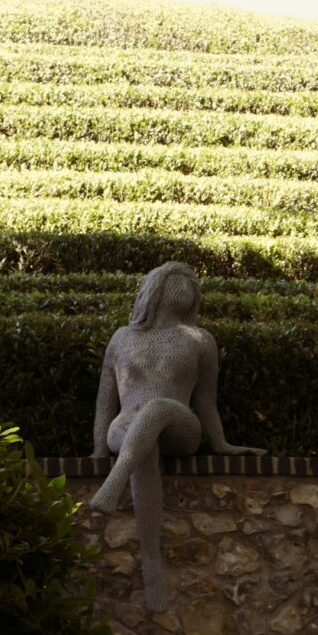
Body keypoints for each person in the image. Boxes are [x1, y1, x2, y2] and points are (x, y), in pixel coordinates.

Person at [90, 261, 266, 610]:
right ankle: (151, 564)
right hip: (126, 427)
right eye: (177, 279)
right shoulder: (122, 337)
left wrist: (221, 444)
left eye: (192, 282)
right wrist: (97, 448)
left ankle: (116, 478)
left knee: (156, 408)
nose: (187, 285)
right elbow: (104, 401)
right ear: (155, 286)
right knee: (145, 445)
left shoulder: (201, 340)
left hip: (179, 424)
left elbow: (206, 402)